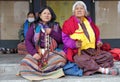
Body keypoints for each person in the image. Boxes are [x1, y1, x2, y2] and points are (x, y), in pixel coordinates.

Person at [62, 1, 119, 76]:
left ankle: (91, 66)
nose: (79, 10)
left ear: (85, 11)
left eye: (81, 8)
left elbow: (96, 34)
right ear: (74, 12)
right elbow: (65, 38)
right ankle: (101, 69)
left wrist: (98, 42)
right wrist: (74, 44)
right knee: (80, 60)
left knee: (108, 56)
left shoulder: (89, 22)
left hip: (91, 51)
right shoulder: (68, 23)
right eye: (77, 9)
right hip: (78, 51)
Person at [19, 6, 66, 80]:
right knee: (25, 61)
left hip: (52, 53)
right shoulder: (34, 26)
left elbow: (61, 39)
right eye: (44, 13)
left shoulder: (56, 26)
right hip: (37, 53)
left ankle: (38, 72)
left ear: (52, 15)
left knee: (60, 60)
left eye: (49, 13)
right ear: (40, 15)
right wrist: (34, 53)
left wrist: (51, 32)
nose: (47, 15)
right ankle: (48, 72)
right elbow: (28, 41)